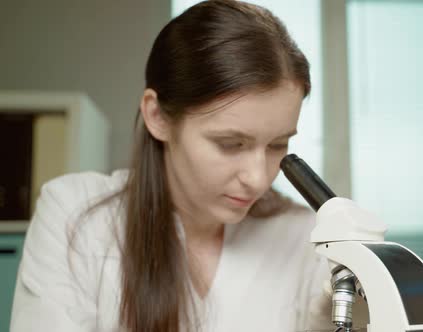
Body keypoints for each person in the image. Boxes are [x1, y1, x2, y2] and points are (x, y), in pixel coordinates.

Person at [9, 1, 335, 331]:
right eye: (230, 144)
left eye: (278, 145)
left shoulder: (304, 234)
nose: (258, 178)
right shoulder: (75, 215)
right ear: (157, 116)